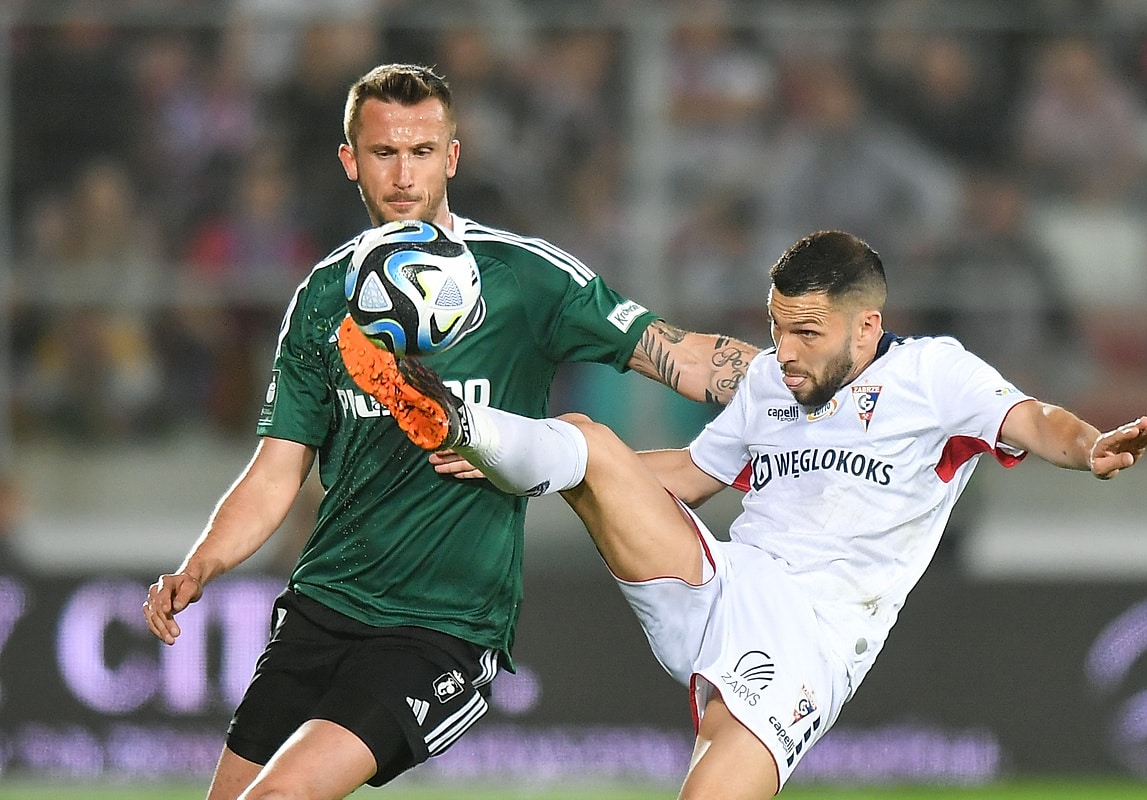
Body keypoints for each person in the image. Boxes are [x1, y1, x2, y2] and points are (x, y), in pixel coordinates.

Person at [352, 229, 1147, 799]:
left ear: (867, 325)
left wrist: (1089, 447)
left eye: (808, 332)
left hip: (809, 638)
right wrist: (524, 472)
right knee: (588, 443)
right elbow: (691, 477)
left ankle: (497, 440)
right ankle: (467, 427)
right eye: (778, 328)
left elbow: (1035, 420)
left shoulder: (934, 376)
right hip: (721, 579)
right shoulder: (772, 381)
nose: (788, 350)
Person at [142, 63, 759, 800]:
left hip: (441, 628)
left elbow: (683, 357)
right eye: (383, 153)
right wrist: (200, 566)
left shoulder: (525, 279)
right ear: (350, 161)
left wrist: (827, 378)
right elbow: (275, 473)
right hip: (322, 605)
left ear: (453, 157)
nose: (404, 174)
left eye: (422, 151)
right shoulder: (322, 301)